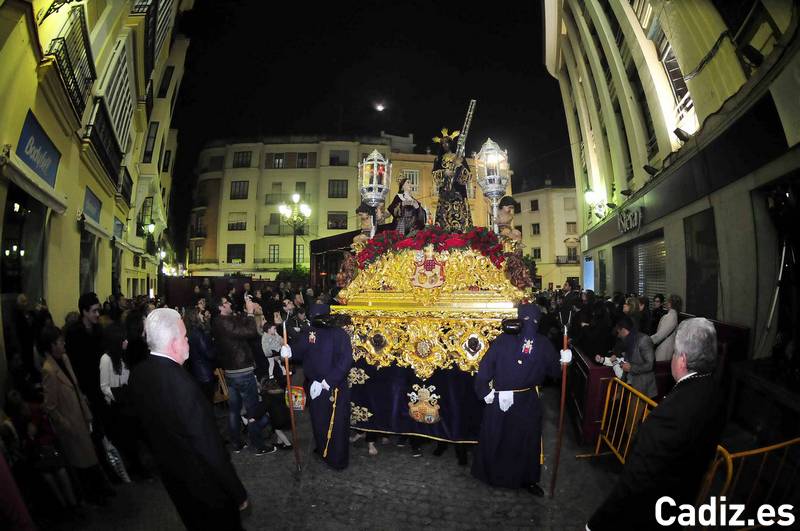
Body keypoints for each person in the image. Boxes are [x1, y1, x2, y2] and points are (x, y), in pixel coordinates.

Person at [587, 318, 724, 530]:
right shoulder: (714, 390)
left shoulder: (670, 414)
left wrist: (599, 521)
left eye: (674, 353)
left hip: (655, 507)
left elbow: (637, 478)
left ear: (682, 360)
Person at [130, 308, 249, 531]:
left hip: (174, 479)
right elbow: (210, 447)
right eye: (185, 337)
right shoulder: (184, 385)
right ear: (174, 343)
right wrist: (237, 491)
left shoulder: (139, 373)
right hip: (205, 487)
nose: (188, 342)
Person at [471, 303, 572, 495]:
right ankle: (493, 474)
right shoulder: (504, 340)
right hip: (501, 399)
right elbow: (487, 366)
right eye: (526, 320)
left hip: (527, 399)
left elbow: (555, 373)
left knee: (527, 441)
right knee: (498, 437)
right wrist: (485, 391)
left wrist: (563, 362)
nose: (529, 324)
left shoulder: (542, 344)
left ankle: (526, 478)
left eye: (533, 321)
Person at [40, 325, 113, 505]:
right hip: (70, 423)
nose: (63, 343)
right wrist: (65, 424)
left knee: (91, 455)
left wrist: (85, 410)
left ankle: (101, 491)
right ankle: (94, 495)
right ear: (51, 346)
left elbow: (75, 385)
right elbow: (50, 406)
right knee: (82, 462)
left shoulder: (64, 359)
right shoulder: (48, 370)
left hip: (80, 415)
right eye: (59, 341)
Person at [281, 303, 353, 470]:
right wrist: (288, 351)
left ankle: (337, 459)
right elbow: (300, 349)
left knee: (336, 423)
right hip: (314, 385)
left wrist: (327, 382)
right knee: (318, 420)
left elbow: (345, 361)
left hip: (333, 386)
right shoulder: (309, 332)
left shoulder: (339, 334)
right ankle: (323, 450)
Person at [213, 297, 274, 454]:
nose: (230, 304)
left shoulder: (222, 321)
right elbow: (249, 332)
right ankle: (258, 446)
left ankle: (237, 443)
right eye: (226, 303)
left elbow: (239, 325)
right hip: (241, 371)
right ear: (220, 307)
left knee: (234, 409)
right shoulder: (223, 322)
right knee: (252, 410)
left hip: (232, 372)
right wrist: (249, 312)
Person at [432, 129, 472, 232]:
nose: (445, 145)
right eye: (443, 143)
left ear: (451, 143)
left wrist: (460, 165)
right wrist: (444, 173)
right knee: (444, 218)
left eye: (447, 142)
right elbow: (434, 174)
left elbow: (468, 176)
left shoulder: (459, 157)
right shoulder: (438, 160)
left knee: (460, 217)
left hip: (458, 192)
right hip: (445, 193)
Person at [652, 294, 681, 362]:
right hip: (667, 348)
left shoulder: (669, 317)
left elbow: (659, 336)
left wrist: (646, 340)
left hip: (663, 349)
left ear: (670, 304)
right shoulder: (674, 316)